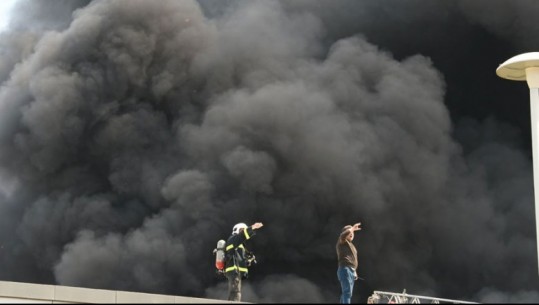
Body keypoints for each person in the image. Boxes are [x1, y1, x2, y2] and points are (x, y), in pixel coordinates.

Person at [224, 221, 264, 301]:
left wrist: (248, 259)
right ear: (237, 230)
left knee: (235, 291)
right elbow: (241, 237)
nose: (243, 232)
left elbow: (239, 258)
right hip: (233, 270)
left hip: (237, 271)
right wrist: (252, 227)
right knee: (235, 292)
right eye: (242, 230)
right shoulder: (233, 239)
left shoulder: (239, 244)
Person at [336, 222, 361, 304]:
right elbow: (342, 236)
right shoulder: (342, 241)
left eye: (352, 233)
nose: (351, 233)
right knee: (347, 293)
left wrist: (355, 271)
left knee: (346, 293)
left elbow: (353, 259)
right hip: (345, 269)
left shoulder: (351, 245)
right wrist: (352, 229)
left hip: (350, 270)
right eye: (349, 232)